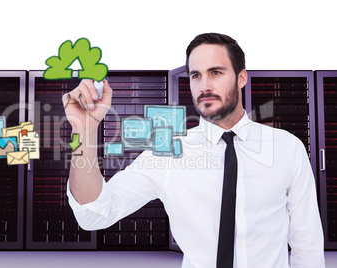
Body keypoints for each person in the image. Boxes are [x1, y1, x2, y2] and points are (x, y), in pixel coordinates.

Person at [62, 33, 325, 267]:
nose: (204, 86)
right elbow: (93, 215)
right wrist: (83, 131)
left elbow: (306, 244)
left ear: (241, 78)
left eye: (216, 72)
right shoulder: (167, 153)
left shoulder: (287, 147)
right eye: (196, 75)